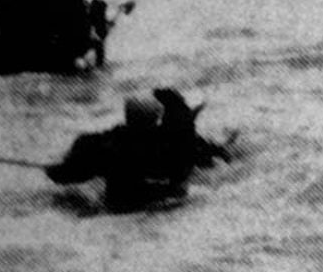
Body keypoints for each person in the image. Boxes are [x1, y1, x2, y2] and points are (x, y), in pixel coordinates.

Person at [45, 89, 229, 211]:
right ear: (158, 117)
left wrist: (57, 169)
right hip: (166, 208)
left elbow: (65, 176)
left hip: (117, 209)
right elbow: (215, 161)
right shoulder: (176, 145)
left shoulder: (107, 143)